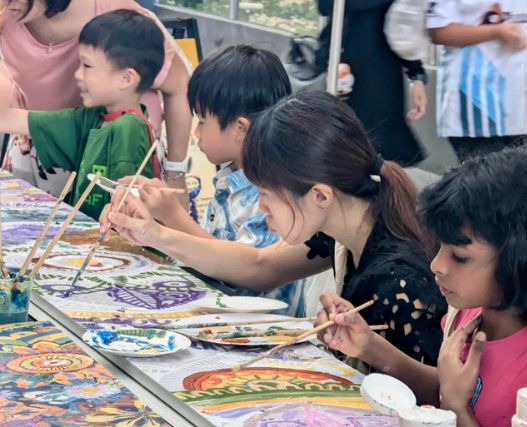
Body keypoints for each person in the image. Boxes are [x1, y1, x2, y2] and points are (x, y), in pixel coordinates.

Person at [101, 91, 448, 366]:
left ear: (319, 196)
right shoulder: (343, 227)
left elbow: (431, 402)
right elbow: (259, 265)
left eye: (266, 193)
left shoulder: (400, 281)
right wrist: (155, 234)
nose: (261, 205)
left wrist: (162, 232)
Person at [316, 148, 527, 426]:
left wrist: (457, 406)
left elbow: (454, 397)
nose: (436, 265)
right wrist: (368, 345)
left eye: (460, 257)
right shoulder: (470, 316)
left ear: (524, 263)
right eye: (439, 248)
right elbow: (447, 385)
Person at [117, 45, 310, 317]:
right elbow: (206, 251)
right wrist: (160, 211)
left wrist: (172, 216)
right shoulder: (229, 179)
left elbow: (243, 277)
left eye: (202, 121)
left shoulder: (269, 195)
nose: (196, 132)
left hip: (257, 333)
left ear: (240, 129)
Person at [0, 0, 191, 200]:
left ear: (127, 77)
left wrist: (176, 173)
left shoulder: (127, 132)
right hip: (42, 154)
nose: (77, 75)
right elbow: (10, 119)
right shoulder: (80, 121)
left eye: (87, 66)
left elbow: (179, 87)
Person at [427, 0, 527, 162]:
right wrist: (497, 31)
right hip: (474, 105)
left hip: (517, 105)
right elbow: (438, 32)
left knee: (514, 181)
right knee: (485, 183)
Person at [315, 0, 428, 167]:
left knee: (376, 152)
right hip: (344, 69)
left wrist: (416, 75)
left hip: (381, 75)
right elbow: (325, 6)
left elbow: (401, 27)